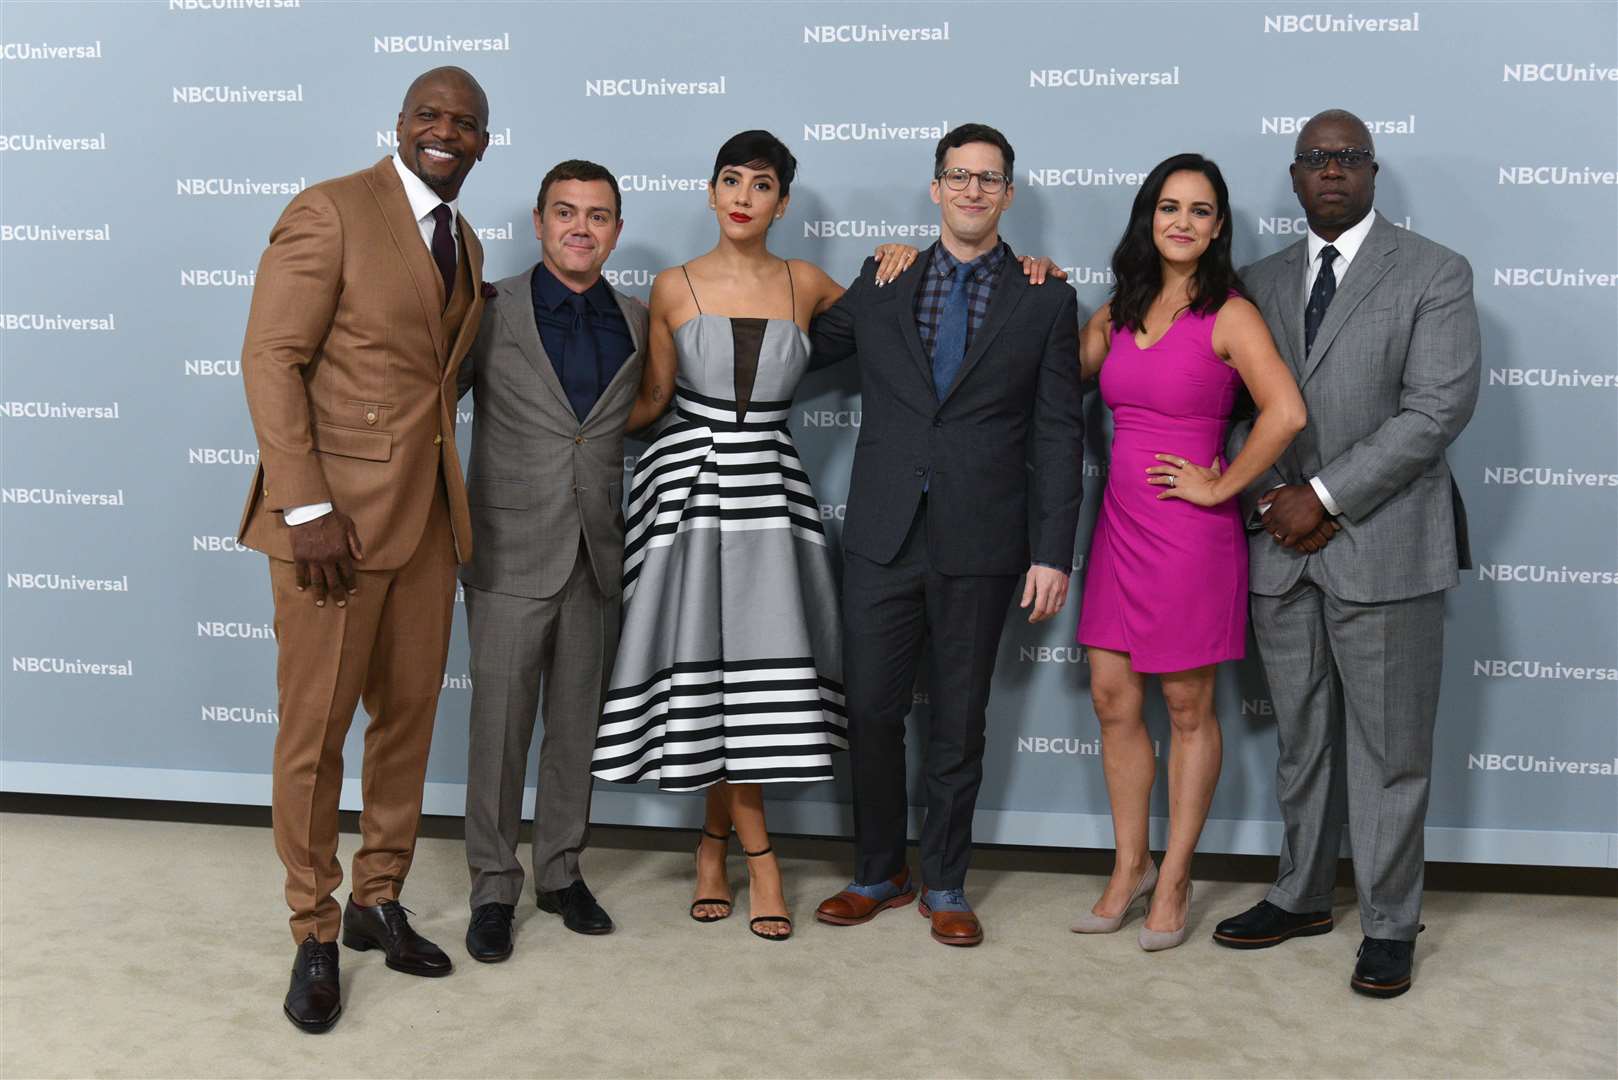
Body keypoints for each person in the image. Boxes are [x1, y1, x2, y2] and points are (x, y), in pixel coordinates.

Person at [589, 131, 914, 941]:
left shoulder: (806, 282)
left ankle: (714, 846)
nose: (742, 195)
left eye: (760, 184)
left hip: (772, 492)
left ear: (782, 202)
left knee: (748, 684)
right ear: (710, 192)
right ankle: (754, 858)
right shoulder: (672, 285)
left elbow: (900, 324)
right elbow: (656, 398)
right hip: (685, 491)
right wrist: (573, 434)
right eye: (730, 179)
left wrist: (901, 259)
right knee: (704, 673)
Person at [237, 67, 490, 1032]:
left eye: (465, 124)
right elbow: (272, 357)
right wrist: (304, 510)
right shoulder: (333, 209)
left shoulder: (461, 239)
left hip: (426, 522)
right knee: (315, 736)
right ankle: (314, 927)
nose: (446, 131)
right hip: (331, 530)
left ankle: (379, 900)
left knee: (408, 724)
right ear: (399, 124)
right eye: (430, 115)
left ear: (481, 144)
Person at [1214, 109, 1481, 999]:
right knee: (1303, 741)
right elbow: (1236, 408)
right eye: (1315, 160)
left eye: (1349, 158)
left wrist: (1320, 498)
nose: (1332, 170)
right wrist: (1272, 499)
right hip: (1282, 553)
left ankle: (1390, 922)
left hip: (1386, 545)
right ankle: (1298, 895)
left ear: (1373, 171)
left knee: (1389, 751)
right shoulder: (1254, 279)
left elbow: (1434, 411)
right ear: (1294, 178)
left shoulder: (1435, 271)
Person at [809, 123, 1085, 948]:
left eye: (989, 179)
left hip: (984, 540)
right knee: (870, 714)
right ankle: (877, 872)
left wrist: (1051, 550)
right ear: (935, 188)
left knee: (959, 723)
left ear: (1007, 193)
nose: (972, 190)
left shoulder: (1046, 297)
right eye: (958, 176)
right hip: (883, 535)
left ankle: (948, 884)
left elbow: (1057, 434)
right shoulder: (884, 279)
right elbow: (806, 347)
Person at [1066, 154, 1306, 951]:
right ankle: (1127, 866)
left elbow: (1286, 413)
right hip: (1118, 526)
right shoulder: (1118, 309)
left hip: (1188, 536)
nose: (1182, 221)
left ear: (1218, 227)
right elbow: (1053, 378)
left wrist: (1222, 485)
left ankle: (1174, 877)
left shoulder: (1231, 314)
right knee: (1111, 698)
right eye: (1169, 206)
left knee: (1187, 707)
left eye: (1201, 211)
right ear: (1149, 216)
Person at [455, 161, 649, 961]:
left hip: (596, 554)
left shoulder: (639, 320)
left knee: (576, 729)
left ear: (615, 230)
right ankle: (493, 886)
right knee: (500, 730)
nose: (581, 227)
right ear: (538, 222)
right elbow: (431, 404)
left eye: (598, 215)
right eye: (565, 212)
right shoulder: (488, 309)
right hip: (507, 548)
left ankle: (562, 872)